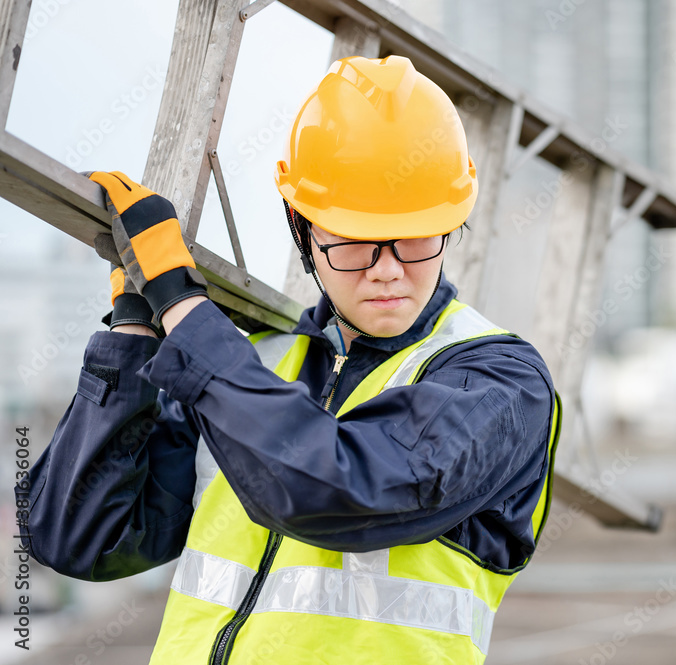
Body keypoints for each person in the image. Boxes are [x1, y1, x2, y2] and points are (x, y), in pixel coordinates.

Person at [19, 55, 560, 664]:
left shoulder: (498, 384)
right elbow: (78, 537)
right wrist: (135, 330)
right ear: (303, 232)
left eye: (415, 237)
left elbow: (339, 491)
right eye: (356, 242)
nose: (388, 270)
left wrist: (183, 305)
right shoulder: (258, 367)